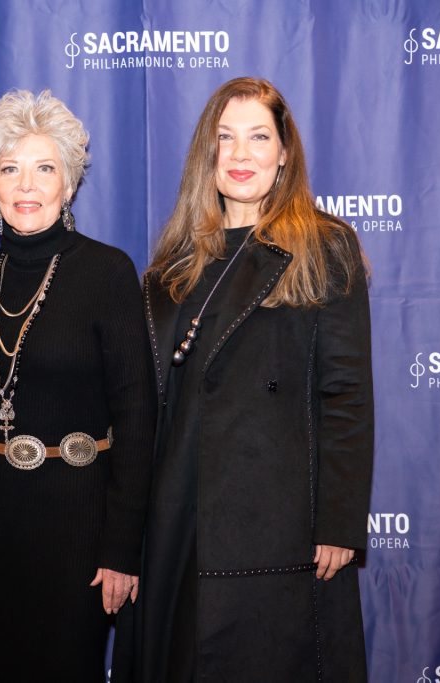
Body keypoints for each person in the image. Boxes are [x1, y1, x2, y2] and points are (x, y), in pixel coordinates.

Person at [114, 77, 374, 682]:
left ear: (284, 153)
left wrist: (338, 521)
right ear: (206, 153)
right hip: (175, 522)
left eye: (258, 137)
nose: (240, 154)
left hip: (278, 526)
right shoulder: (168, 272)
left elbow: (347, 395)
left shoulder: (323, 247)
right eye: (225, 137)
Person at [0, 89, 155, 682]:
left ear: (68, 183)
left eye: (44, 168)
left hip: (76, 523)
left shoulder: (107, 272)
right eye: (10, 169)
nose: (26, 185)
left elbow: (138, 415)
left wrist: (121, 547)